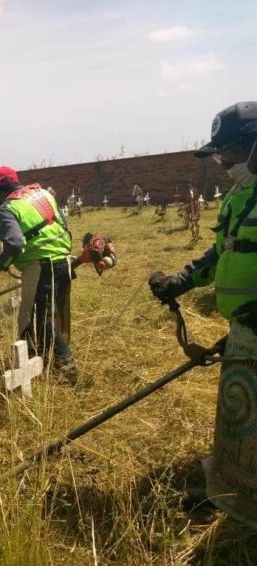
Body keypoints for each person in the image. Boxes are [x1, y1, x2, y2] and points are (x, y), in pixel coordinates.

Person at [148, 101, 257, 525]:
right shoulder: (240, 194)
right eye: (220, 155)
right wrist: (182, 279)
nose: (224, 163)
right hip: (245, 328)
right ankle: (233, 494)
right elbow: (224, 251)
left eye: (229, 153)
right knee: (240, 417)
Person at [0, 166, 76, 377]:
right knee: (53, 314)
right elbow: (63, 223)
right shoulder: (43, 193)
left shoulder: (7, 209)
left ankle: (66, 365)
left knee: (42, 317)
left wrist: (2, 262)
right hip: (63, 261)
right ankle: (42, 360)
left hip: (40, 268)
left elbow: (15, 244)